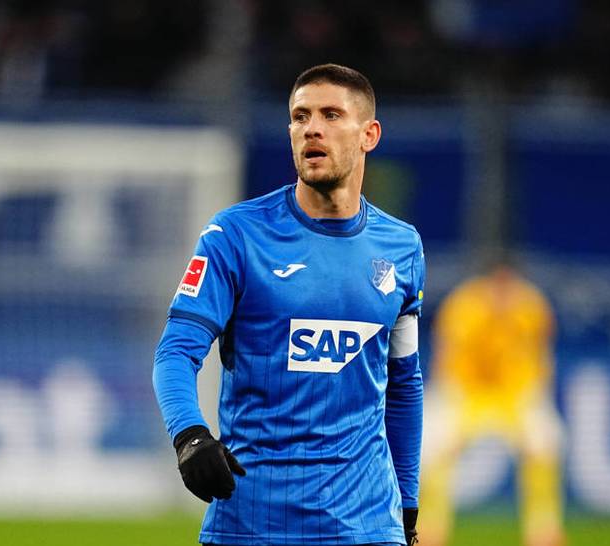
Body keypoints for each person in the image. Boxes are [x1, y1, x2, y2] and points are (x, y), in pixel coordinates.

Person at [153, 64, 425, 545]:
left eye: (331, 115)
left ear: (369, 134)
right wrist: (189, 434)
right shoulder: (235, 235)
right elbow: (176, 350)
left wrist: (406, 503)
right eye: (300, 117)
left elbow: (404, 383)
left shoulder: (402, 248)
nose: (312, 129)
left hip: (366, 526)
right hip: (251, 522)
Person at [419, 254, 564, 546]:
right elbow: (445, 357)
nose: (502, 292)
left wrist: (537, 395)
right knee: (431, 444)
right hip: (467, 391)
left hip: (514, 393)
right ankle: (427, 528)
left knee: (546, 441)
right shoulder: (464, 304)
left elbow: (542, 356)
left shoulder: (531, 305)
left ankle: (544, 530)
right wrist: (444, 396)